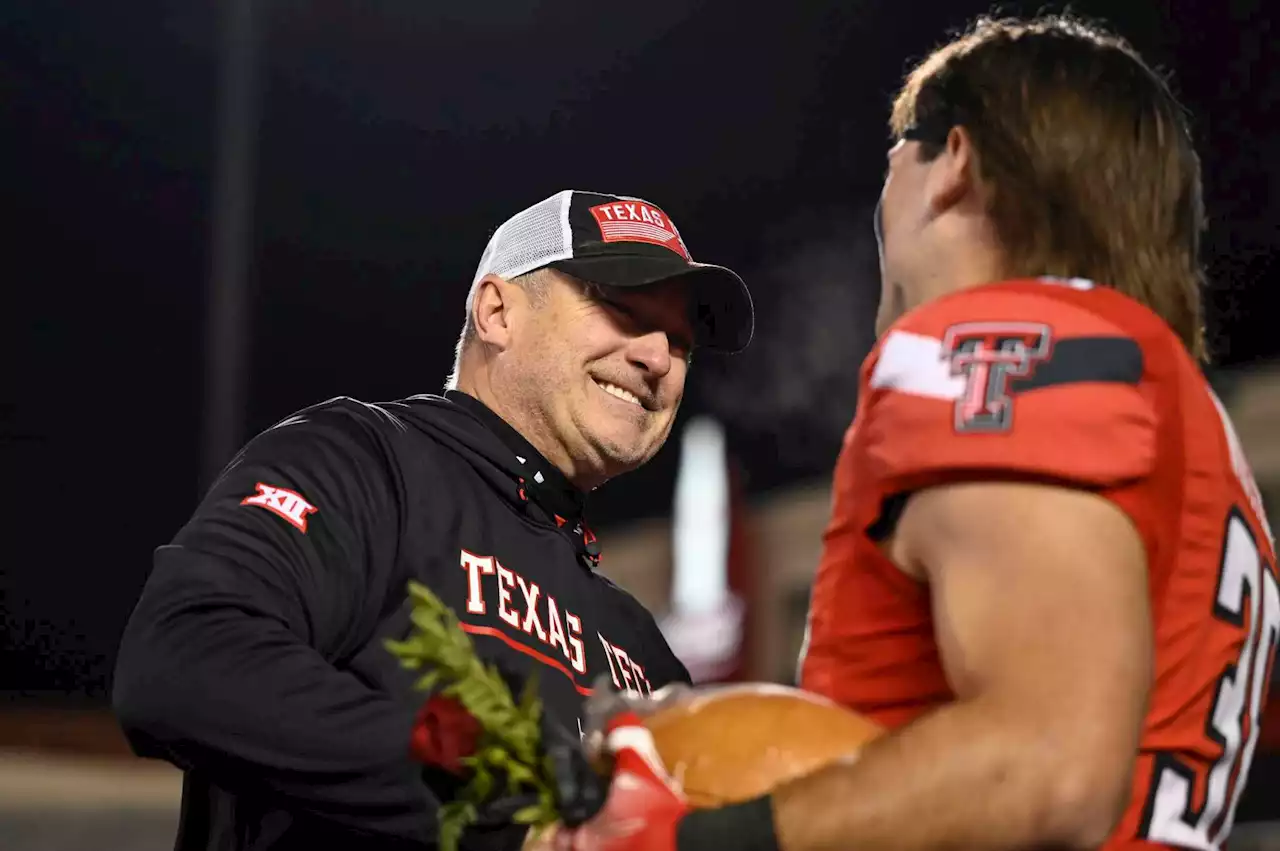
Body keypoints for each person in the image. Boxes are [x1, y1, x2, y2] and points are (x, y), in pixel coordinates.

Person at [559, 14, 1279, 851]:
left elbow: (1044, 760)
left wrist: (697, 841)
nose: (885, 181)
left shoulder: (998, 348)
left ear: (956, 164)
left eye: (901, 145)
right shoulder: (1176, 412)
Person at [111, 188, 755, 851]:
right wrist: (513, 795)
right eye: (620, 307)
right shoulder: (363, 462)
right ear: (497, 311)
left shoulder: (640, 645)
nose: (657, 357)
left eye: (680, 339)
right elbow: (185, 657)